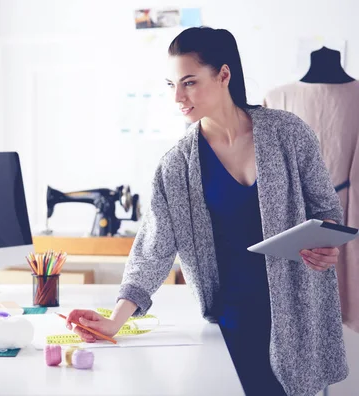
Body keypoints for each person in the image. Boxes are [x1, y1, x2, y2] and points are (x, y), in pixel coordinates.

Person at [66, 26, 349, 396]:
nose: (178, 97)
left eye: (189, 82)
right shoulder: (176, 165)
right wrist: (114, 320)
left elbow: (327, 211)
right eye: (171, 85)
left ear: (224, 75)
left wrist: (327, 245)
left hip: (298, 314)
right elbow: (152, 251)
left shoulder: (289, 133)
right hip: (232, 321)